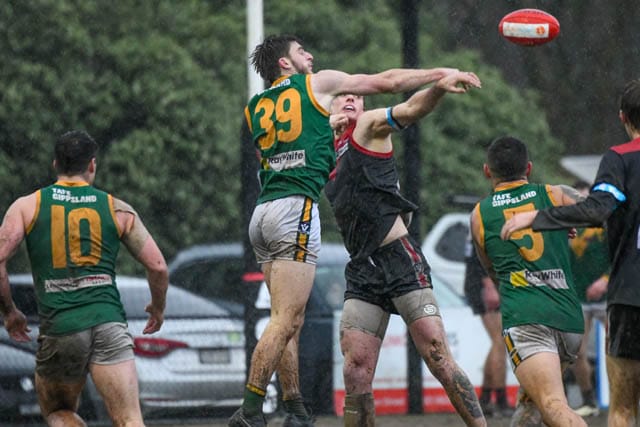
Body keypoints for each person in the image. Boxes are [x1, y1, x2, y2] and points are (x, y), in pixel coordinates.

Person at [234, 33, 462, 427]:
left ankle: (295, 408)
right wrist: (439, 74)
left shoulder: (254, 107)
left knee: (286, 320)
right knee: (284, 322)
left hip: (262, 213)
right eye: (300, 51)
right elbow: (387, 82)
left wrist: (329, 124)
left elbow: (290, 148)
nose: (309, 55)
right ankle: (250, 412)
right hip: (294, 210)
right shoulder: (316, 83)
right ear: (285, 63)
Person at [327, 70, 485, 427]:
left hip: (398, 257)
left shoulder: (367, 126)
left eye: (357, 95)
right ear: (328, 105)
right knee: (355, 369)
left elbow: (411, 109)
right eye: (343, 95)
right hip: (362, 267)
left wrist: (438, 88)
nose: (351, 98)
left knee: (437, 354)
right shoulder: (324, 149)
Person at [0, 130, 168, 427]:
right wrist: (157, 307)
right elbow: (158, 267)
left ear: (55, 164)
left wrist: (10, 312)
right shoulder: (117, 209)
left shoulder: (27, 206)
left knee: (58, 411)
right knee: (130, 418)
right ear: (92, 164)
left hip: (61, 327)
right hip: (109, 324)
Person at [501, 79, 640, 427]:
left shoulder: (620, 158)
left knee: (623, 409)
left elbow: (597, 209)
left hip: (632, 295)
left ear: (623, 117)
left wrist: (537, 217)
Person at [470, 136, 587, 427]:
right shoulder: (555, 193)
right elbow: (597, 209)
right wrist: (560, 219)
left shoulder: (480, 214)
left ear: (487, 171)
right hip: (569, 319)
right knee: (531, 403)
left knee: (552, 405)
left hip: (527, 321)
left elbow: (492, 270)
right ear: (529, 168)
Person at [565, 180, 609, 418]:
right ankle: (588, 399)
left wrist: (605, 280)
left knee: (624, 348)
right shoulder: (566, 226)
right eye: (577, 199)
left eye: (585, 198)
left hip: (608, 296)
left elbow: (623, 255)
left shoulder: (606, 223)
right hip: (579, 297)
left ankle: (628, 396)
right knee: (576, 352)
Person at [462, 240, 514, 418]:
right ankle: (500, 401)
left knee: (497, 342)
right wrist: (490, 286)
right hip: (484, 285)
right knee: (500, 341)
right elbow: (480, 253)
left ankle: (484, 399)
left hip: (479, 283)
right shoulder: (484, 223)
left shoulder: (475, 224)